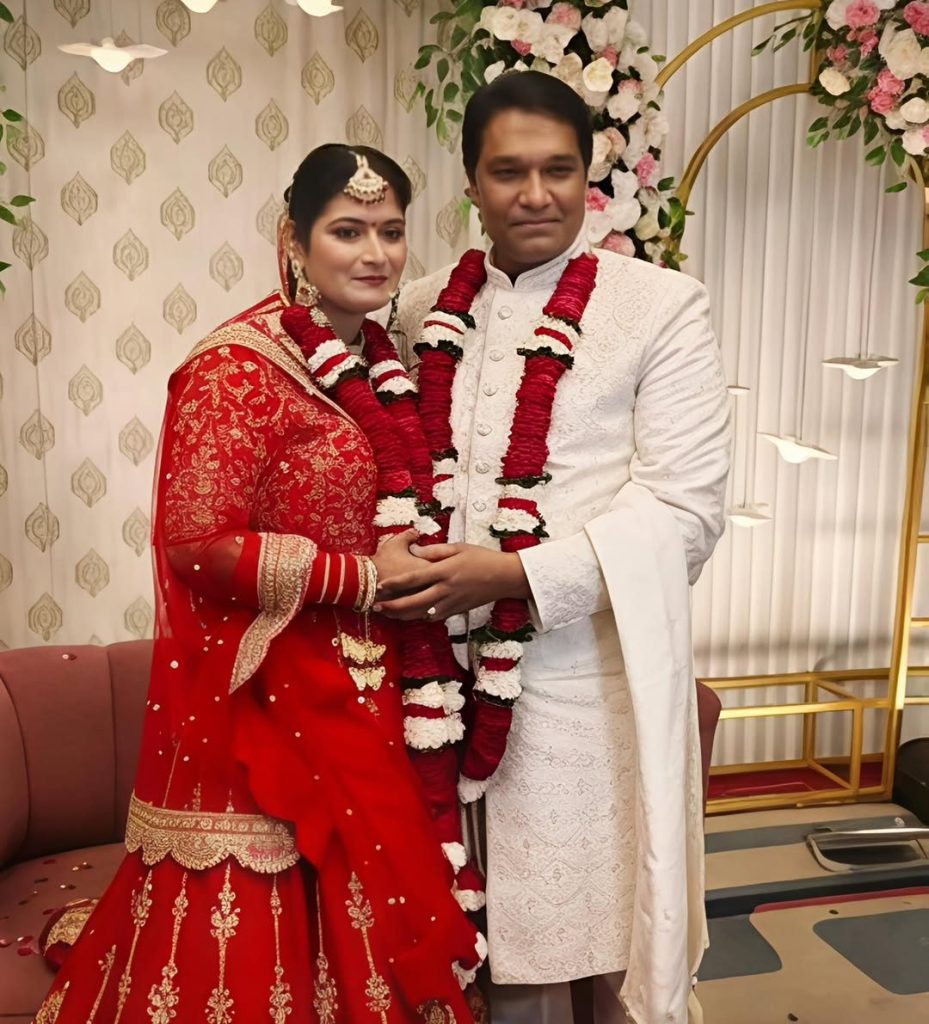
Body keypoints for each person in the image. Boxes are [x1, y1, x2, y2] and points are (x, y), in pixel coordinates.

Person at [32, 144, 483, 1024]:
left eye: (391, 231)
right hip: (263, 689)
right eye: (347, 231)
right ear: (293, 239)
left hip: (369, 682)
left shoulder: (380, 358)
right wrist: (362, 578)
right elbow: (195, 541)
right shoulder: (237, 368)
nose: (375, 254)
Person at [381, 72, 731, 1024]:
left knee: (595, 957)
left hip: (584, 696)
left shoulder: (660, 306)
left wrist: (516, 575)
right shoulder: (418, 310)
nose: (535, 195)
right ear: (470, 181)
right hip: (429, 687)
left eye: (558, 170)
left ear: (589, 175)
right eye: (508, 172)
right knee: (466, 959)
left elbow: (686, 510)